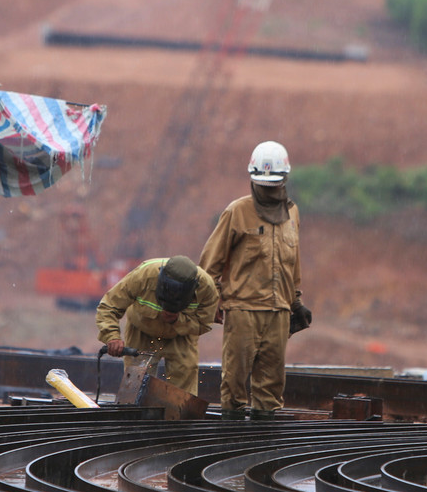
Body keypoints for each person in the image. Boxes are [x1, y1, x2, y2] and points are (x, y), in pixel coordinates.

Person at [199, 140, 312, 420]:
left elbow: (292, 261)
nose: (268, 189)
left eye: (273, 184)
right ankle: (231, 437)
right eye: (263, 184)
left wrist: (295, 302)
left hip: (279, 313)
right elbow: (210, 262)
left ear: (284, 179)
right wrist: (211, 300)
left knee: (271, 386)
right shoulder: (237, 212)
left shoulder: (292, 214)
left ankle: (264, 439)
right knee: (234, 382)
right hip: (243, 311)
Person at [95, 255, 219, 397]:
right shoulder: (144, 276)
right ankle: (136, 416)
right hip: (142, 332)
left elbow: (204, 323)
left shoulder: (206, 288)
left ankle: (179, 418)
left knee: (183, 395)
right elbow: (109, 305)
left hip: (181, 335)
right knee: (135, 388)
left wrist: (178, 320)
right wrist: (112, 337)